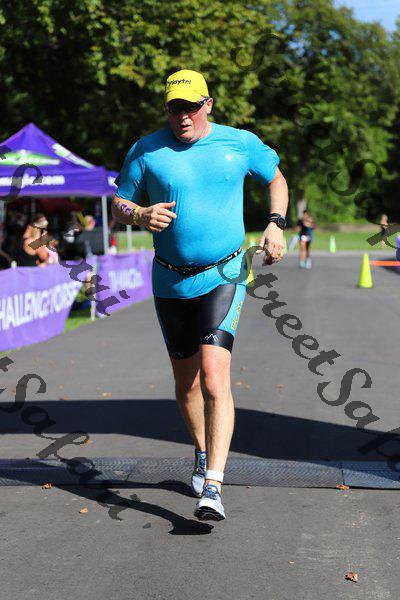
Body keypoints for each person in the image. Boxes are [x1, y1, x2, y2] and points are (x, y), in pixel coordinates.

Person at [112, 69, 289, 521]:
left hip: (224, 273)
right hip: (170, 279)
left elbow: (276, 179)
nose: (183, 117)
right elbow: (119, 202)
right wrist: (139, 214)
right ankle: (201, 450)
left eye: (191, 107)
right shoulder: (146, 149)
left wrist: (275, 223)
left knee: (213, 377)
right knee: (186, 383)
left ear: (208, 104)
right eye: (175, 109)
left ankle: (213, 485)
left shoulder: (239, 143)